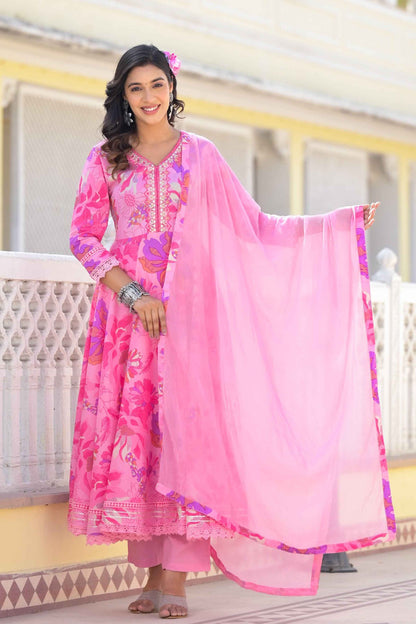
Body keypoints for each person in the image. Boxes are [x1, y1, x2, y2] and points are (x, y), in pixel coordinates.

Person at [68, 43, 394, 619]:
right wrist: (135, 294)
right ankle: (151, 573)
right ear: (123, 96)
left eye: (157, 84)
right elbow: (83, 237)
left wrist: (337, 224)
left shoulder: (202, 155)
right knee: (139, 445)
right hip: (127, 324)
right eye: (136, 88)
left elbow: (255, 225)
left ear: (173, 87)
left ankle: (176, 579)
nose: (148, 97)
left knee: (186, 443)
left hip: (192, 321)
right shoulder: (105, 159)